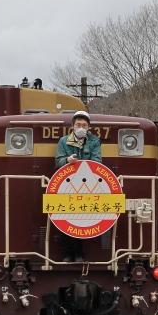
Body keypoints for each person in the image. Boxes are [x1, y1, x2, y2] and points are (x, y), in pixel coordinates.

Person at [55, 111, 102, 262]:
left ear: (89, 127)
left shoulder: (95, 141)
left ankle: (79, 254)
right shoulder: (63, 141)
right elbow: (58, 161)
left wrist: (84, 167)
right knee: (63, 220)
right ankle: (68, 255)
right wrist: (67, 160)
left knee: (82, 221)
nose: (81, 128)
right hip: (66, 186)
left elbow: (97, 162)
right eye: (78, 125)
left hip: (87, 187)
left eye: (84, 125)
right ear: (73, 126)